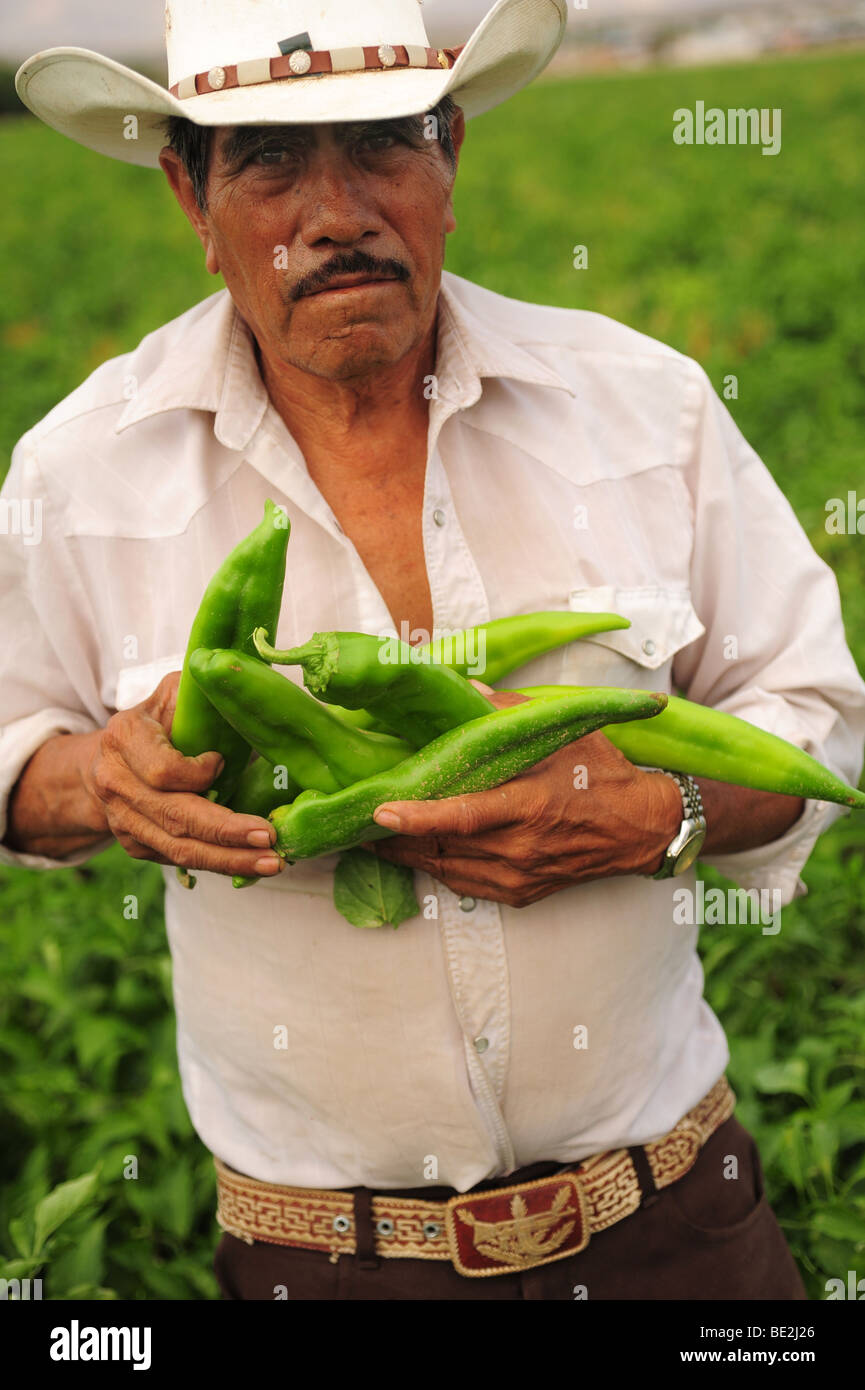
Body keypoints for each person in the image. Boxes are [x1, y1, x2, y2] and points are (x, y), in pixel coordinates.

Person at [4, 0, 864, 1300]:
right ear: (192, 194)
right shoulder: (81, 475)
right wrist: (100, 783)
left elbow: (811, 712)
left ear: (449, 153)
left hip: (678, 1225)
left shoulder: (644, 411)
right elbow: (14, 756)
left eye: (380, 144)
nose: (334, 209)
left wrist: (657, 813)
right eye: (269, 161)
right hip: (322, 1263)